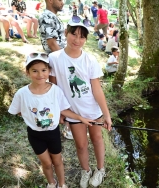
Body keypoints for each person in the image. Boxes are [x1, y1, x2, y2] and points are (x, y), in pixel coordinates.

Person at [8, 52, 95, 188]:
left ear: (49, 71)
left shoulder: (55, 90)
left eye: (43, 70)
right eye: (34, 71)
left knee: (57, 161)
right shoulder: (22, 93)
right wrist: (30, 115)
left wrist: (80, 118)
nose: (40, 74)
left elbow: (63, 109)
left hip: (53, 133)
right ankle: (51, 183)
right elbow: (17, 110)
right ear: (27, 72)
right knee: (47, 163)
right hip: (35, 135)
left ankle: (62, 184)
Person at [48, 18, 112, 188]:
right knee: (81, 144)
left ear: (86, 39)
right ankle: (86, 170)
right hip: (74, 112)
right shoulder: (54, 58)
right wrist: (60, 112)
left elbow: (97, 90)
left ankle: (100, 169)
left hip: (93, 110)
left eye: (82, 37)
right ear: (66, 33)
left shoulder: (90, 60)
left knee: (97, 139)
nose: (77, 40)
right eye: (73, 34)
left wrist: (106, 115)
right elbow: (54, 88)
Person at [39, 0, 72, 140]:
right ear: (50, 0)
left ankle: (67, 124)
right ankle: (64, 125)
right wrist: (63, 61)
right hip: (56, 61)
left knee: (65, 92)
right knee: (60, 93)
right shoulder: (46, 16)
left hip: (60, 59)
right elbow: (52, 43)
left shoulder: (53, 17)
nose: (62, 2)